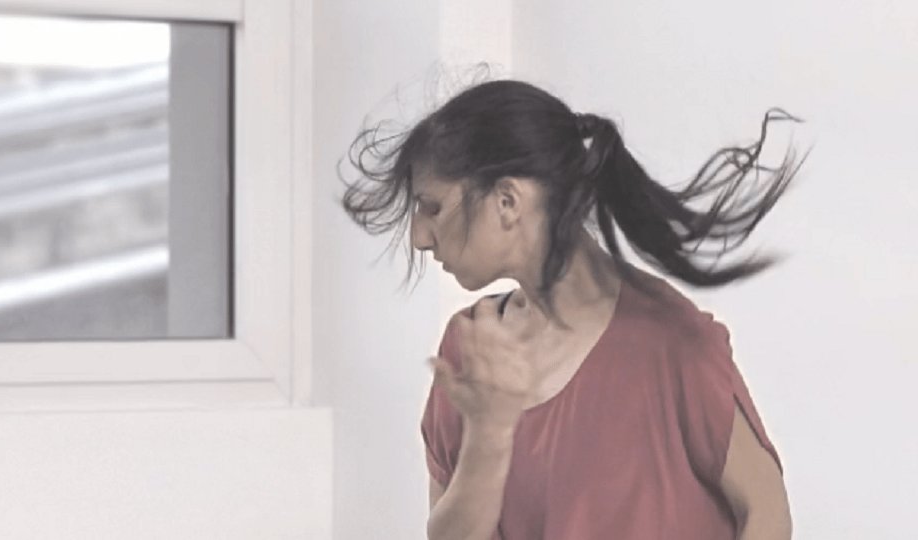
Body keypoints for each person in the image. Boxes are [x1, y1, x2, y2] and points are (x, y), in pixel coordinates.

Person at [340, 78, 808, 540]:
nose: (419, 237)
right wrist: (488, 436)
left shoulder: (669, 340)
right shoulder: (472, 351)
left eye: (432, 207)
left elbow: (767, 512)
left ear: (507, 201)